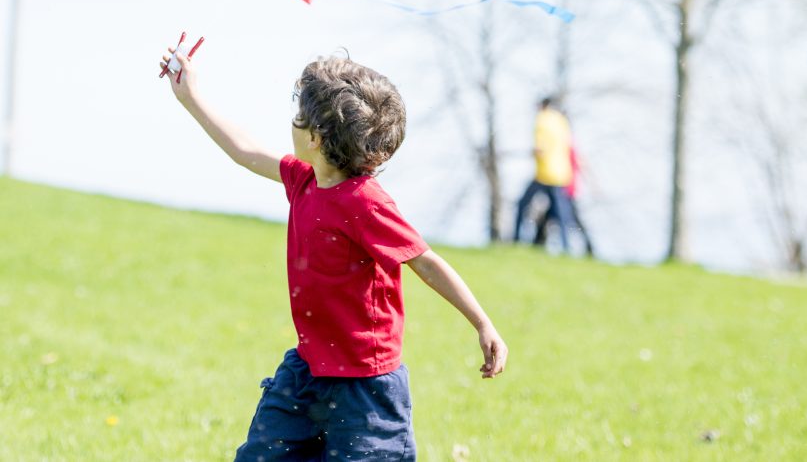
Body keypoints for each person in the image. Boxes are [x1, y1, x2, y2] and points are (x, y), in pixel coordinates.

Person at [160, 47, 507, 461]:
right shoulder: (302, 180)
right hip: (306, 371)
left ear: (316, 138)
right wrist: (190, 96)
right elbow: (244, 150)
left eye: (296, 117)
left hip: (366, 389)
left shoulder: (366, 203)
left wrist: (482, 323)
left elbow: (425, 261)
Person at [513, 97, 574, 252]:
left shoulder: (542, 119)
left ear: (543, 106)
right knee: (561, 214)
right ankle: (566, 246)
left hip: (545, 174)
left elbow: (540, 149)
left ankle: (515, 240)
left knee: (522, 205)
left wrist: (533, 152)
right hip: (562, 174)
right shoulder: (562, 121)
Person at [534, 144, 594, 256]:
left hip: (567, 192)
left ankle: (584, 248)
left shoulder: (567, 148)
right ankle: (538, 244)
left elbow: (581, 165)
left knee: (566, 220)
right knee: (552, 218)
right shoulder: (562, 149)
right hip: (562, 190)